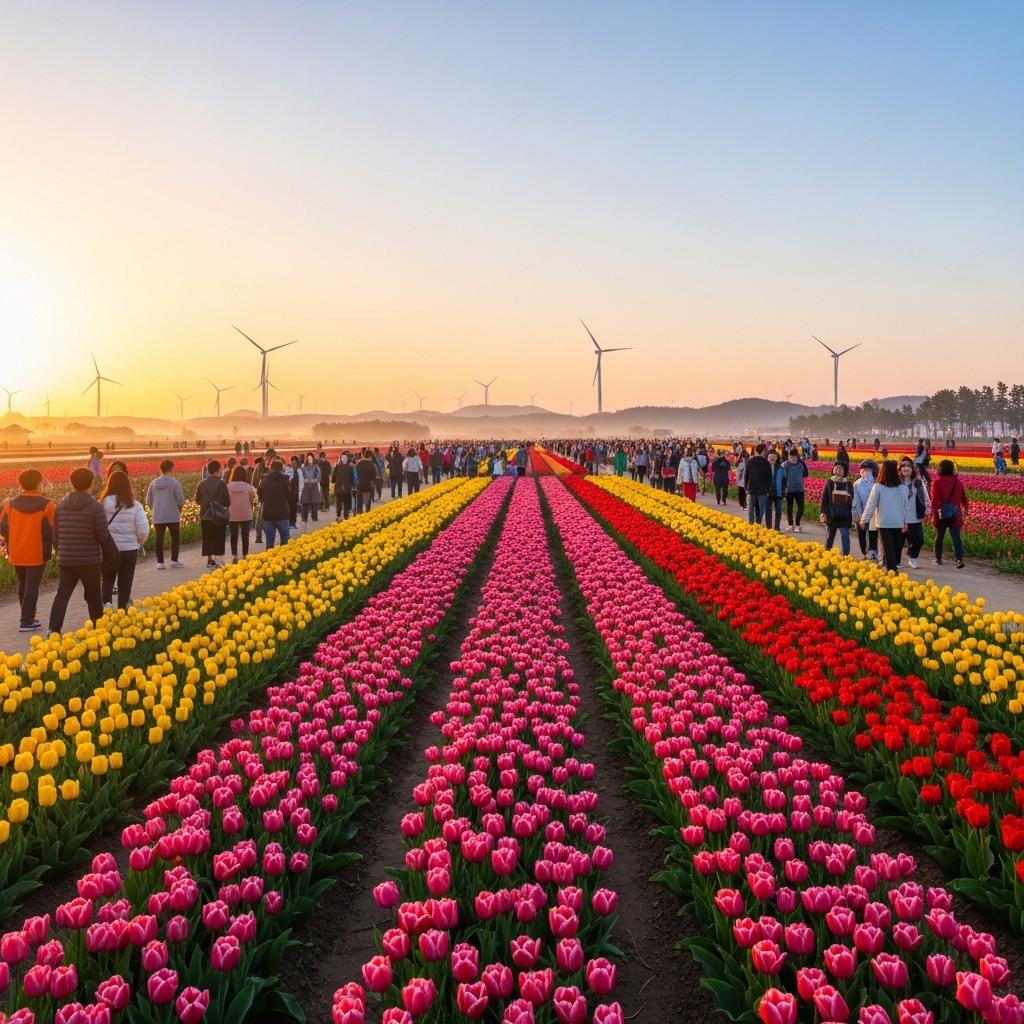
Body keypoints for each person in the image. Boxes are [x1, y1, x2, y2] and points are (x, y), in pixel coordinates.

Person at [48, 468, 111, 634]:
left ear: (72, 483)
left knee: (62, 595)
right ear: (91, 484)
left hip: (66, 559)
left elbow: (56, 535)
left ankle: (53, 629)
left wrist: (62, 551)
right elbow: (103, 535)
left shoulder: (61, 506)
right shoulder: (96, 507)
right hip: (89, 559)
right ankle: (98, 629)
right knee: (93, 595)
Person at [0, 469, 56, 632]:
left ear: (21, 485)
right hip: (37, 552)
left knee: (23, 585)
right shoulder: (48, 505)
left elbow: (2, 526)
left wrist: (13, 538)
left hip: (17, 551)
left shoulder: (11, 505)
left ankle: (28, 616)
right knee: (32, 586)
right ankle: (26, 620)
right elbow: (57, 527)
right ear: (39, 484)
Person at [99, 470, 150, 609]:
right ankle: (122, 608)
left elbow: (97, 527)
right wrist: (139, 542)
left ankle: (107, 605)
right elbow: (143, 529)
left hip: (108, 548)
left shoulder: (101, 505)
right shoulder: (134, 505)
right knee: (126, 580)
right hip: (129, 549)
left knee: (108, 578)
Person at [860, 459, 906, 572]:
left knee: (887, 545)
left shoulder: (878, 487)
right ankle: (887, 565)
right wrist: (905, 521)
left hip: (883, 522)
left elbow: (871, 504)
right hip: (897, 521)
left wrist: (864, 519)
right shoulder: (902, 488)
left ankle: (891, 569)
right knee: (893, 545)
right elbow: (906, 506)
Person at [146, 460, 186, 569]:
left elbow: (148, 500)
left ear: (160, 469)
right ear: (171, 468)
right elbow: (180, 500)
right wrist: (179, 508)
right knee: (175, 538)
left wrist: (156, 508)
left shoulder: (153, 484)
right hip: (173, 515)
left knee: (159, 539)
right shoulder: (175, 483)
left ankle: (160, 563)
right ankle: (174, 560)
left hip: (158, 515)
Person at [931, 459, 968, 568]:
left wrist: (936, 511)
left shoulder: (937, 483)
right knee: (956, 538)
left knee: (939, 537)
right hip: (955, 515)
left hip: (941, 514)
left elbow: (935, 500)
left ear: (940, 469)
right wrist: (966, 507)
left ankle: (938, 559)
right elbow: (963, 497)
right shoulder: (958, 482)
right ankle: (959, 560)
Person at [195, 460, 230, 568]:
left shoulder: (201, 484)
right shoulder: (222, 483)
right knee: (219, 537)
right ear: (218, 470)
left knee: (207, 537)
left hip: (205, 515)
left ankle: (209, 560)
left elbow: (197, 500)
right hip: (218, 515)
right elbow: (227, 501)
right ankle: (218, 559)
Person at [897, 458, 928, 569]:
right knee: (898, 542)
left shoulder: (918, 483)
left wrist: (927, 509)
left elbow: (925, 497)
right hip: (899, 517)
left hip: (914, 516)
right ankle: (896, 560)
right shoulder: (896, 483)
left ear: (912, 468)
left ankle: (913, 556)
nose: (906, 468)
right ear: (900, 468)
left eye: (908, 466)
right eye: (903, 466)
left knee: (919, 540)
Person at [820, 462, 853, 555]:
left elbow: (851, 499)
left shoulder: (848, 484)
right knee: (830, 535)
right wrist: (823, 512)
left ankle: (845, 556)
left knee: (844, 535)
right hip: (832, 514)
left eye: (841, 469)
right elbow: (825, 498)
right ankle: (827, 554)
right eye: (836, 468)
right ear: (833, 470)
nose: (838, 471)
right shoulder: (830, 482)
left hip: (844, 514)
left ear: (844, 471)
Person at [258, 458, 291, 548]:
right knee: (285, 542)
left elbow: (260, 495)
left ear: (271, 468)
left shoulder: (264, 479)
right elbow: (289, 496)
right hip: (282, 512)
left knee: (269, 542)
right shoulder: (284, 479)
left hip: (268, 513)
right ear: (281, 468)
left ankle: (270, 556)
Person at [227, 466, 256, 562]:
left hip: (233, 514)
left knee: (233, 535)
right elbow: (252, 498)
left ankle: (234, 555)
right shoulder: (247, 487)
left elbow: (226, 500)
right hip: (246, 514)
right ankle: (245, 554)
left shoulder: (228, 487)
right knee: (245, 535)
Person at [853, 459, 879, 561]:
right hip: (861, 512)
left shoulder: (877, 483)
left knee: (873, 532)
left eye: (868, 470)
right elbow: (856, 501)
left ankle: (873, 551)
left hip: (875, 513)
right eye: (863, 470)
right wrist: (861, 517)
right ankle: (864, 551)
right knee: (862, 533)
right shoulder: (857, 484)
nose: (866, 473)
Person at [782, 448, 808, 532]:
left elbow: (805, 474)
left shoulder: (801, 464)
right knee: (789, 507)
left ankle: (797, 523)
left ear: (797, 456)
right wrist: (784, 487)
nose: (792, 459)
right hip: (789, 489)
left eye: (794, 457)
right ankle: (790, 524)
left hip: (799, 489)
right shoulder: (785, 465)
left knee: (801, 508)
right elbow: (782, 477)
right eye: (790, 457)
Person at [744, 444, 771, 525]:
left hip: (752, 487)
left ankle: (751, 522)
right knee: (761, 507)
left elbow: (746, 475)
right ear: (763, 451)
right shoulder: (766, 463)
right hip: (763, 488)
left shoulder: (750, 461)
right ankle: (758, 521)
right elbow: (769, 477)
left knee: (751, 507)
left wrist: (746, 487)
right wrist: (768, 489)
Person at [299, 452, 321, 525]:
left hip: (314, 485)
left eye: (311, 459)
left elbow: (319, 475)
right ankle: (304, 517)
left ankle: (314, 517)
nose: (310, 460)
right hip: (306, 486)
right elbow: (301, 475)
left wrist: (315, 480)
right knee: (305, 502)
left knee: (314, 502)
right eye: (308, 459)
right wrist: (304, 480)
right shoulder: (303, 466)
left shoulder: (316, 466)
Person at [333, 453, 355, 519]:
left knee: (340, 502)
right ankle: (344, 515)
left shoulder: (338, 466)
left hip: (340, 488)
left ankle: (340, 515)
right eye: (343, 457)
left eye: (345, 457)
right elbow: (352, 478)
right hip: (345, 488)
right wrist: (352, 485)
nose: (344, 459)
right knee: (344, 502)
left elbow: (333, 478)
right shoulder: (349, 467)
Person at [766, 450, 784, 531]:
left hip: (778, 492)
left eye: (774, 457)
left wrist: (784, 491)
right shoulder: (765, 468)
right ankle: (769, 527)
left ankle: (777, 527)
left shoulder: (780, 469)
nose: (772, 459)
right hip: (767, 493)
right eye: (770, 457)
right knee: (768, 511)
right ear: (767, 458)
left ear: (777, 458)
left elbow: (784, 481)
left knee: (779, 510)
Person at [355, 448, 377, 513]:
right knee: (367, 503)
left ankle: (359, 512)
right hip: (368, 486)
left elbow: (355, 474)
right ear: (370, 457)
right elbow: (374, 476)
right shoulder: (371, 464)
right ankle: (367, 513)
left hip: (360, 485)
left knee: (359, 502)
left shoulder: (359, 463)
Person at [286, 456, 301, 527]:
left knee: (293, 509)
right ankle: (289, 522)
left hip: (294, 494)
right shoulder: (288, 471)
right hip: (288, 494)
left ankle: (292, 523)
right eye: (292, 463)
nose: (293, 465)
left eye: (294, 464)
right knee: (289, 509)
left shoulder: (298, 472)